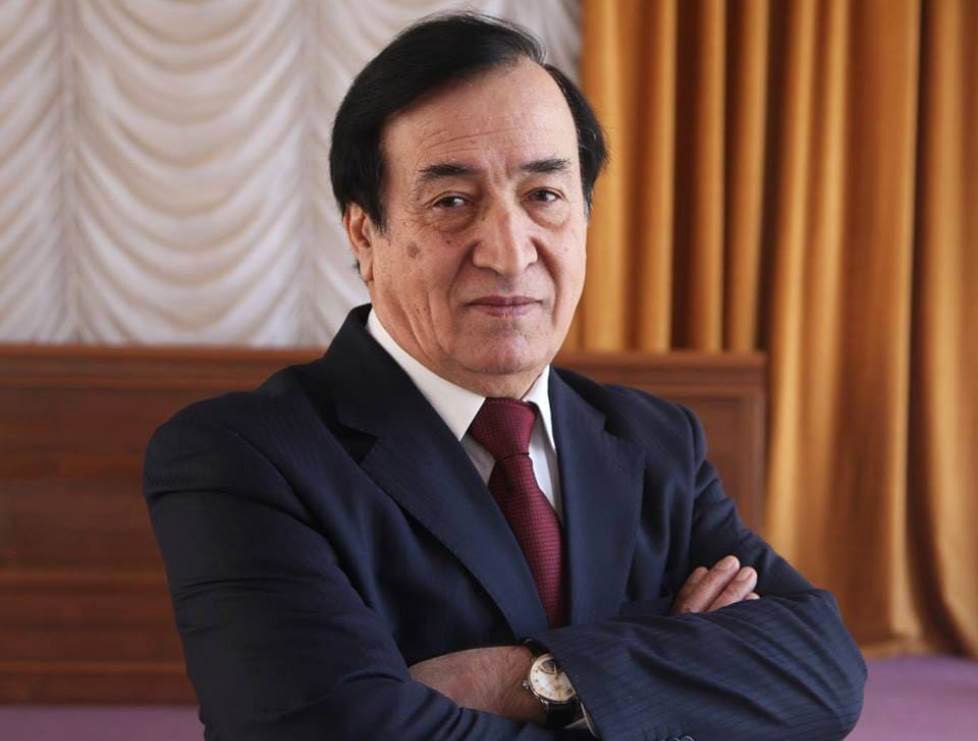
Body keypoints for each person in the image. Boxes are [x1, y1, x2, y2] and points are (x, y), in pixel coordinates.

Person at [144, 13, 865, 741]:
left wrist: (524, 679)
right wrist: (668, 667)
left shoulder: (655, 440)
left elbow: (824, 672)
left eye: (544, 195)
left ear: (584, 217)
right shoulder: (242, 457)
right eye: (452, 202)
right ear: (365, 234)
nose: (509, 250)